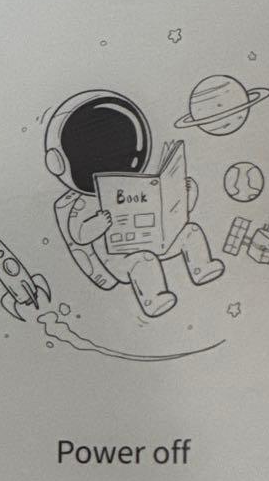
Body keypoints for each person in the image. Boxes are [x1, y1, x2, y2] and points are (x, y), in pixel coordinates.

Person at [44, 90, 224, 317]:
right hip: (121, 258)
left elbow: (178, 210)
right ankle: (153, 298)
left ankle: (201, 268)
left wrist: (184, 193)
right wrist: (99, 223)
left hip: (158, 239)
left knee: (191, 231)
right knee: (144, 261)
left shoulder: (139, 184)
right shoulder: (84, 203)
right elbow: (79, 234)